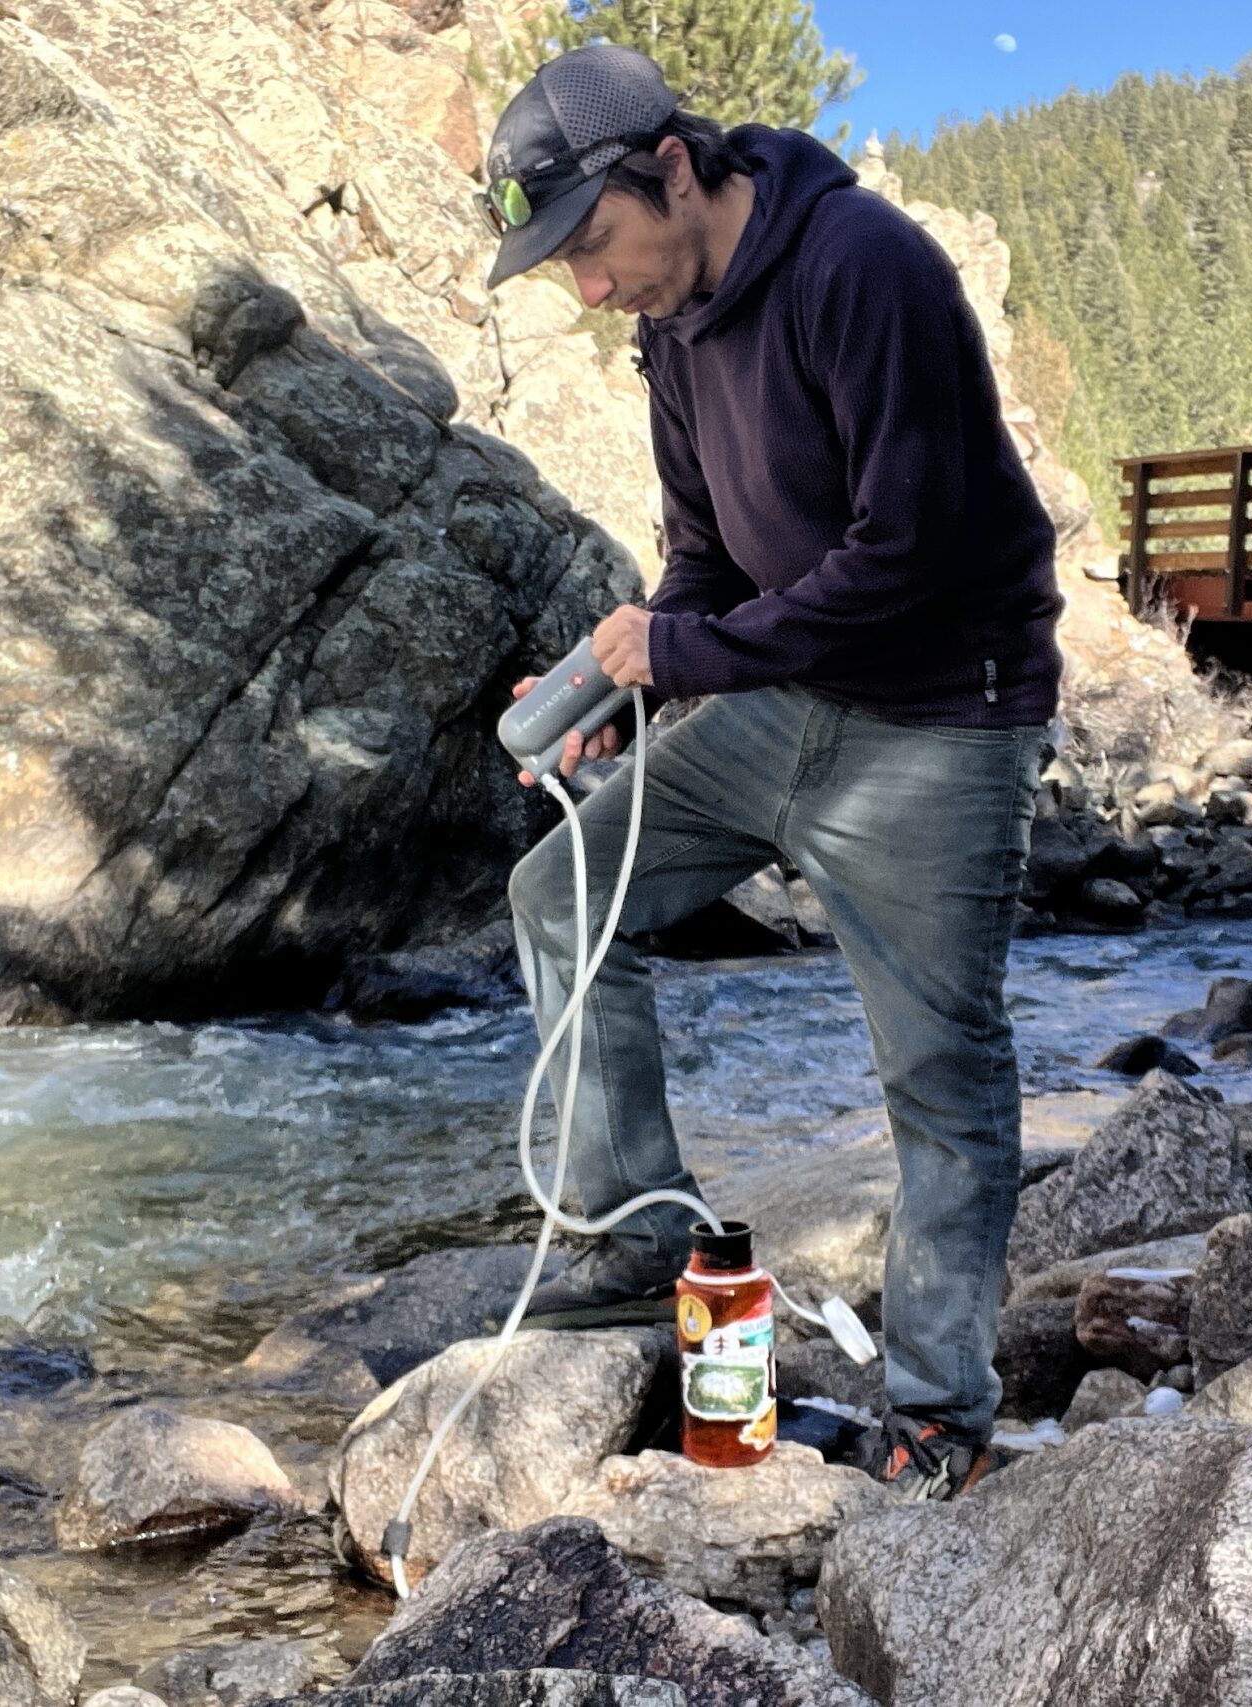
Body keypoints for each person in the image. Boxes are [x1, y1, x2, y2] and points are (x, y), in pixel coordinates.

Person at [481, 44, 1064, 1500]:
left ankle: (939, 1413)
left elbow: (908, 550)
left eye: (597, 245)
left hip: (943, 713)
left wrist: (691, 657)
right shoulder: (672, 329)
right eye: (565, 268)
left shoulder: (867, 266)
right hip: (784, 698)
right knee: (563, 892)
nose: (592, 287)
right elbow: (707, 560)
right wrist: (635, 672)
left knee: (938, 1073)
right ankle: (634, 1238)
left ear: (673, 168)